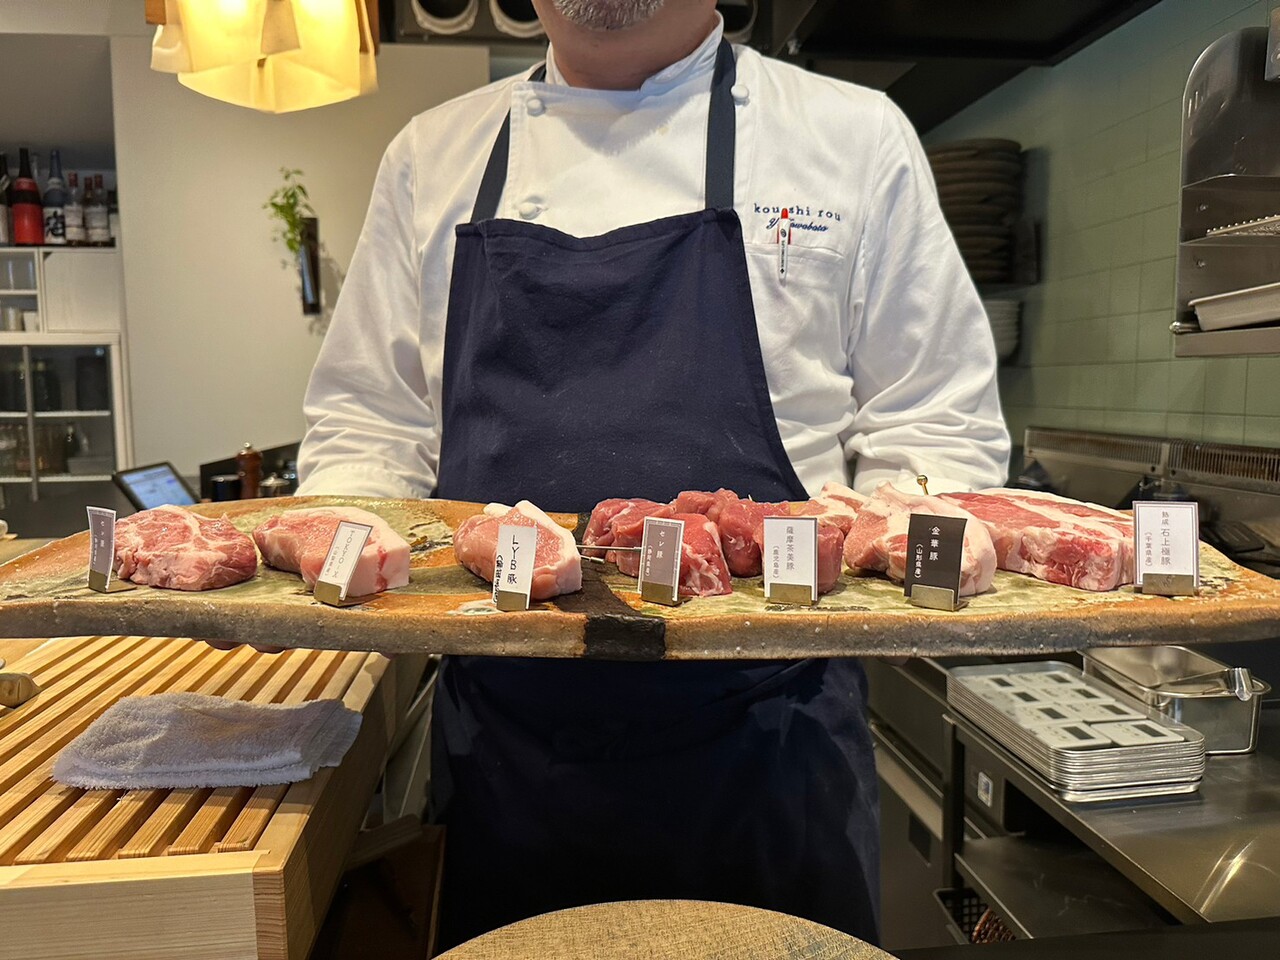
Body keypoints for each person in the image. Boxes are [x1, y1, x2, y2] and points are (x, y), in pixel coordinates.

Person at [297, 0, 1009, 948]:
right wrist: (333, 567)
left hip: (773, 755)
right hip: (507, 761)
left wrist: (894, 545)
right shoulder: (432, 157)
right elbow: (368, 424)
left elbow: (934, 423)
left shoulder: (850, 136)